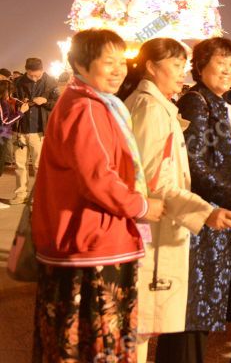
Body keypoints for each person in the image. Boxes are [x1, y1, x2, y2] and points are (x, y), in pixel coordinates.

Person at [31, 29, 164, 362]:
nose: (119, 69)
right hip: (92, 244)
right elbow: (98, 178)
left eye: (122, 61)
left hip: (82, 242)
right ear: (80, 63)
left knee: (69, 344)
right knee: (96, 347)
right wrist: (142, 205)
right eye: (109, 62)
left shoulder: (87, 102)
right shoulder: (87, 107)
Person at [121, 38, 231, 362]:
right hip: (159, 225)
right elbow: (155, 181)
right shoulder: (153, 108)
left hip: (171, 219)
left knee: (146, 327)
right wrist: (208, 211)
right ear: (151, 66)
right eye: (176, 65)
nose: (181, 72)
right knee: (143, 326)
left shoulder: (162, 105)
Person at [155, 37, 231, 363]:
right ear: (200, 66)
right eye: (219, 62)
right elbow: (192, 164)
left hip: (219, 218)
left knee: (203, 309)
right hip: (203, 219)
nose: (227, 69)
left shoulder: (223, 103)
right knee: (191, 310)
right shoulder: (197, 102)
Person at [9, 57, 59, 204]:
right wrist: (19, 104)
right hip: (20, 129)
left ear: (42, 70)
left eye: (37, 75)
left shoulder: (50, 82)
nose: (35, 78)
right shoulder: (17, 82)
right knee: (19, 164)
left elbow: (58, 103)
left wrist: (46, 102)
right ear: (26, 71)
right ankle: (20, 193)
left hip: (39, 130)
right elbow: (10, 101)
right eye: (31, 75)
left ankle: (38, 195)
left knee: (38, 165)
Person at [0, 80, 27, 181]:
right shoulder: (2, 103)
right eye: (10, 92)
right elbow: (5, 122)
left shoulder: (5, 101)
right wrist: (21, 113)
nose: (11, 94)